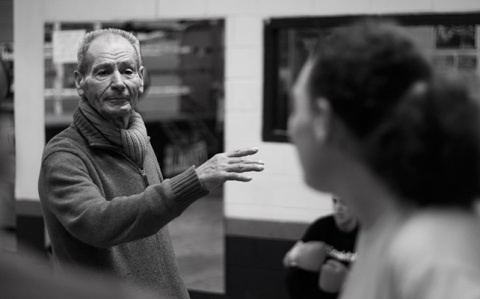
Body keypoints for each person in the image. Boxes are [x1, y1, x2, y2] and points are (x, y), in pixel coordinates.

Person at [38, 28, 264, 298]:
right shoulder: (65, 155)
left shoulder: (139, 141)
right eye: (103, 71)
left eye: (128, 71)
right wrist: (192, 182)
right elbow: (98, 223)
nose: (119, 82)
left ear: (141, 79)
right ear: (79, 82)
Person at [288, 19, 480, 299]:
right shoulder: (378, 227)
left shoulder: (428, 254)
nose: (292, 125)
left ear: (324, 120)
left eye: (295, 108)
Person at [283, 195, 358, 299]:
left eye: (344, 202)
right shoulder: (322, 226)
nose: (338, 207)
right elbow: (287, 259)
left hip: (353, 292)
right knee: (295, 274)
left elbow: (380, 280)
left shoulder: (369, 233)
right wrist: (298, 255)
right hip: (320, 294)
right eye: (335, 201)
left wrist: (347, 278)